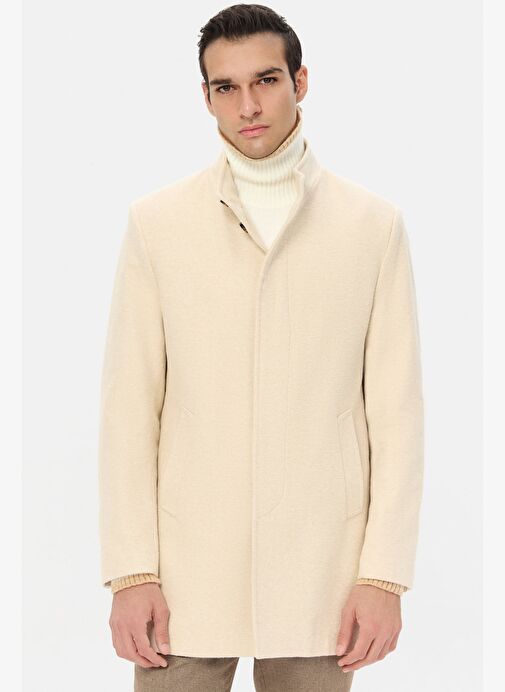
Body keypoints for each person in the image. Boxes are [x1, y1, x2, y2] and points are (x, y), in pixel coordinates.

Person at [98, 4, 424, 691]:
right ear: (206, 97)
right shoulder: (158, 225)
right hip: (184, 569)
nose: (247, 106)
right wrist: (131, 573)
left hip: (323, 570)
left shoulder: (371, 227)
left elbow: (395, 416)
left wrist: (383, 576)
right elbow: (129, 412)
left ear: (300, 81)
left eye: (266, 80)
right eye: (226, 87)